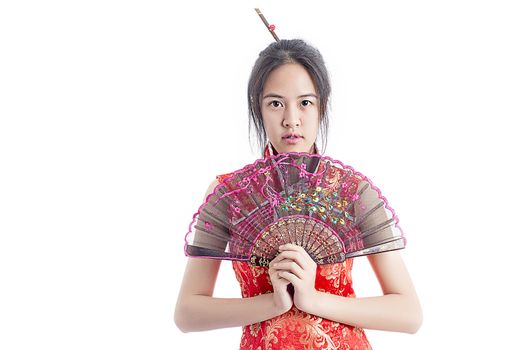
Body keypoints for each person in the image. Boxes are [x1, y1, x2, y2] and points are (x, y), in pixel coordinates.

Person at [175, 38, 422, 349]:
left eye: (305, 102)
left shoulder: (351, 191)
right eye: (276, 103)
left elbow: (408, 313)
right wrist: (272, 303)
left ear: (322, 106)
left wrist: (311, 299)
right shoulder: (230, 194)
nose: (291, 119)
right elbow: (187, 312)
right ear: (258, 108)